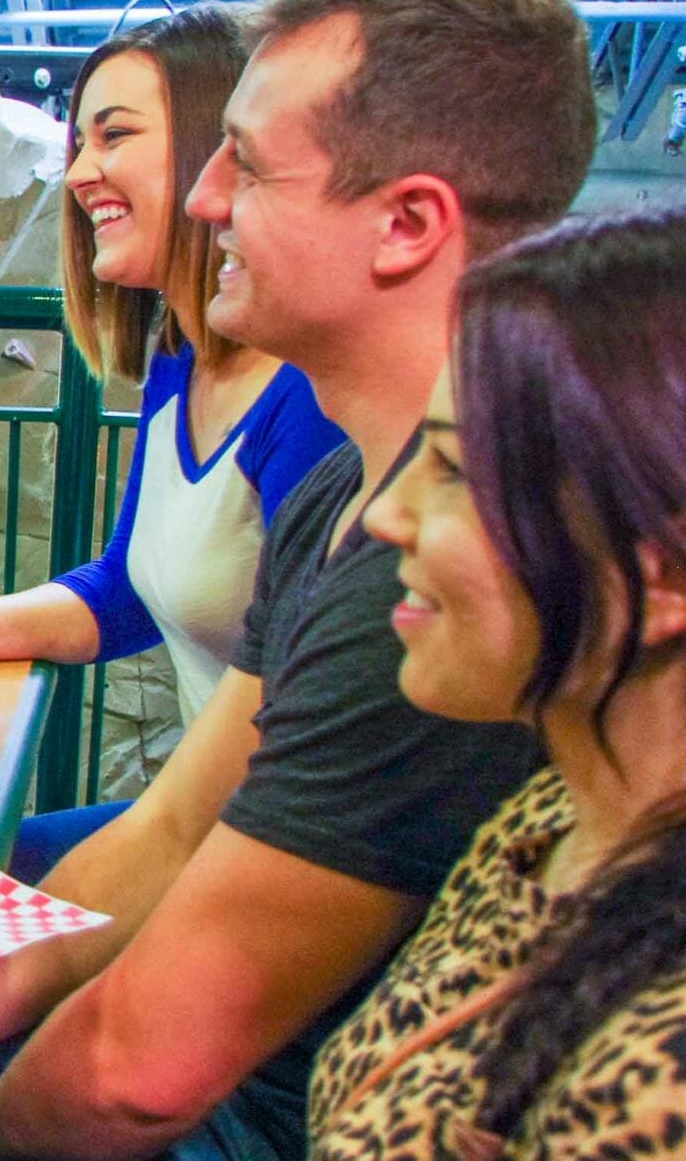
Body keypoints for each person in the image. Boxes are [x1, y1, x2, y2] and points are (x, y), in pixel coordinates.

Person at [0, 0, 594, 1160]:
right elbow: (179, 824)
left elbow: (146, 1072)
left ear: (406, 224)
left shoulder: (446, 575)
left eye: (248, 164)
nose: (204, 197)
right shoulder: (352, 484)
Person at [310, 208, 686, 1157]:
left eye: (449, 470)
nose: (386, 517)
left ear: (667, 575)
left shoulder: (657, 1087)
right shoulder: (553, 819)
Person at [0, 3, 342, 747]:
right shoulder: (177, 357)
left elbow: (302, 734)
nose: (80, 174)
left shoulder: (311, 401)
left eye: (114, 135)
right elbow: (128, 591)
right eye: (80, 141)